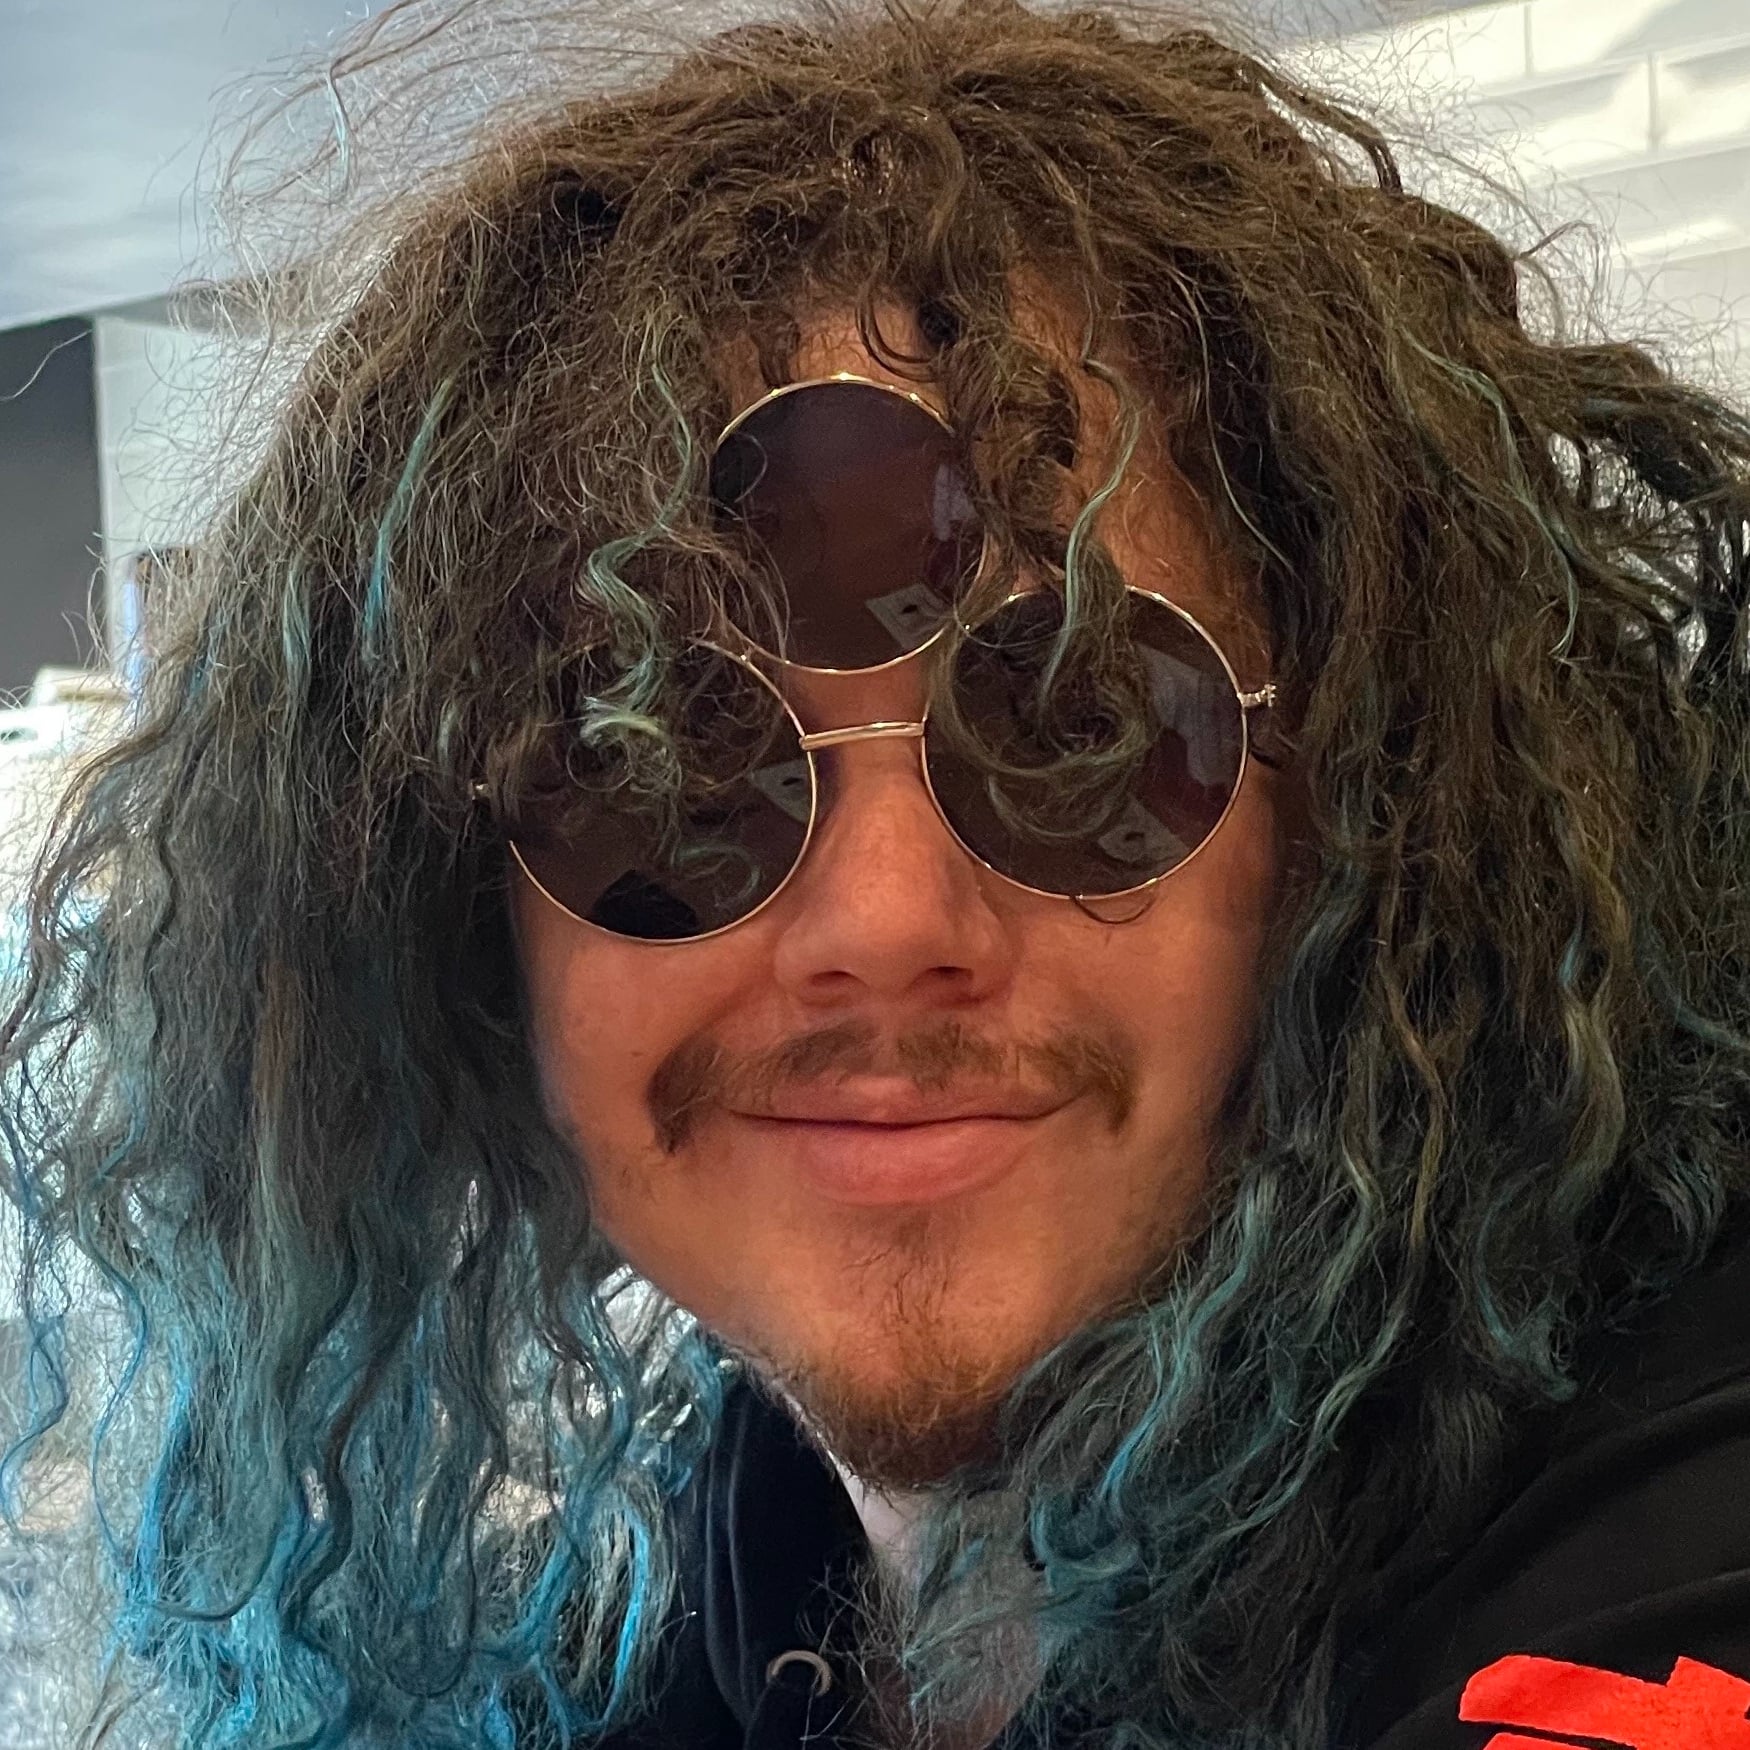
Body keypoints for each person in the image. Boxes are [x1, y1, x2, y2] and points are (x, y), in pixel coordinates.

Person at [4, 1, 1750, 1746]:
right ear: (447, 910)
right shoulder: (726, 1575)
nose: (887, 922)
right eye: (663, 759)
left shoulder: (1669, 1524)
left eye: (1078, 726)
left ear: (1378, 811)